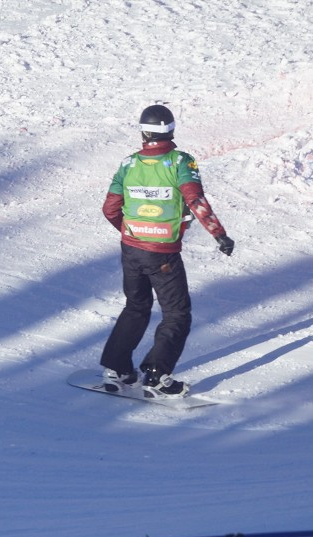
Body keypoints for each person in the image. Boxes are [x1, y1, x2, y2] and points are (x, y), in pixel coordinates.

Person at [99, 104, 235, 398]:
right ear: (171, 130)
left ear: (143, 131)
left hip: (131, 248)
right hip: (162, 252)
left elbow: (110, 208)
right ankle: (157, 376)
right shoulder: (180, 162)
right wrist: (219, 235)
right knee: (176, 314)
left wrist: (131, 231)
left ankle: (116, 369)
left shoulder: (129, 164)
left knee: (136, 307)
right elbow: (196, 200)